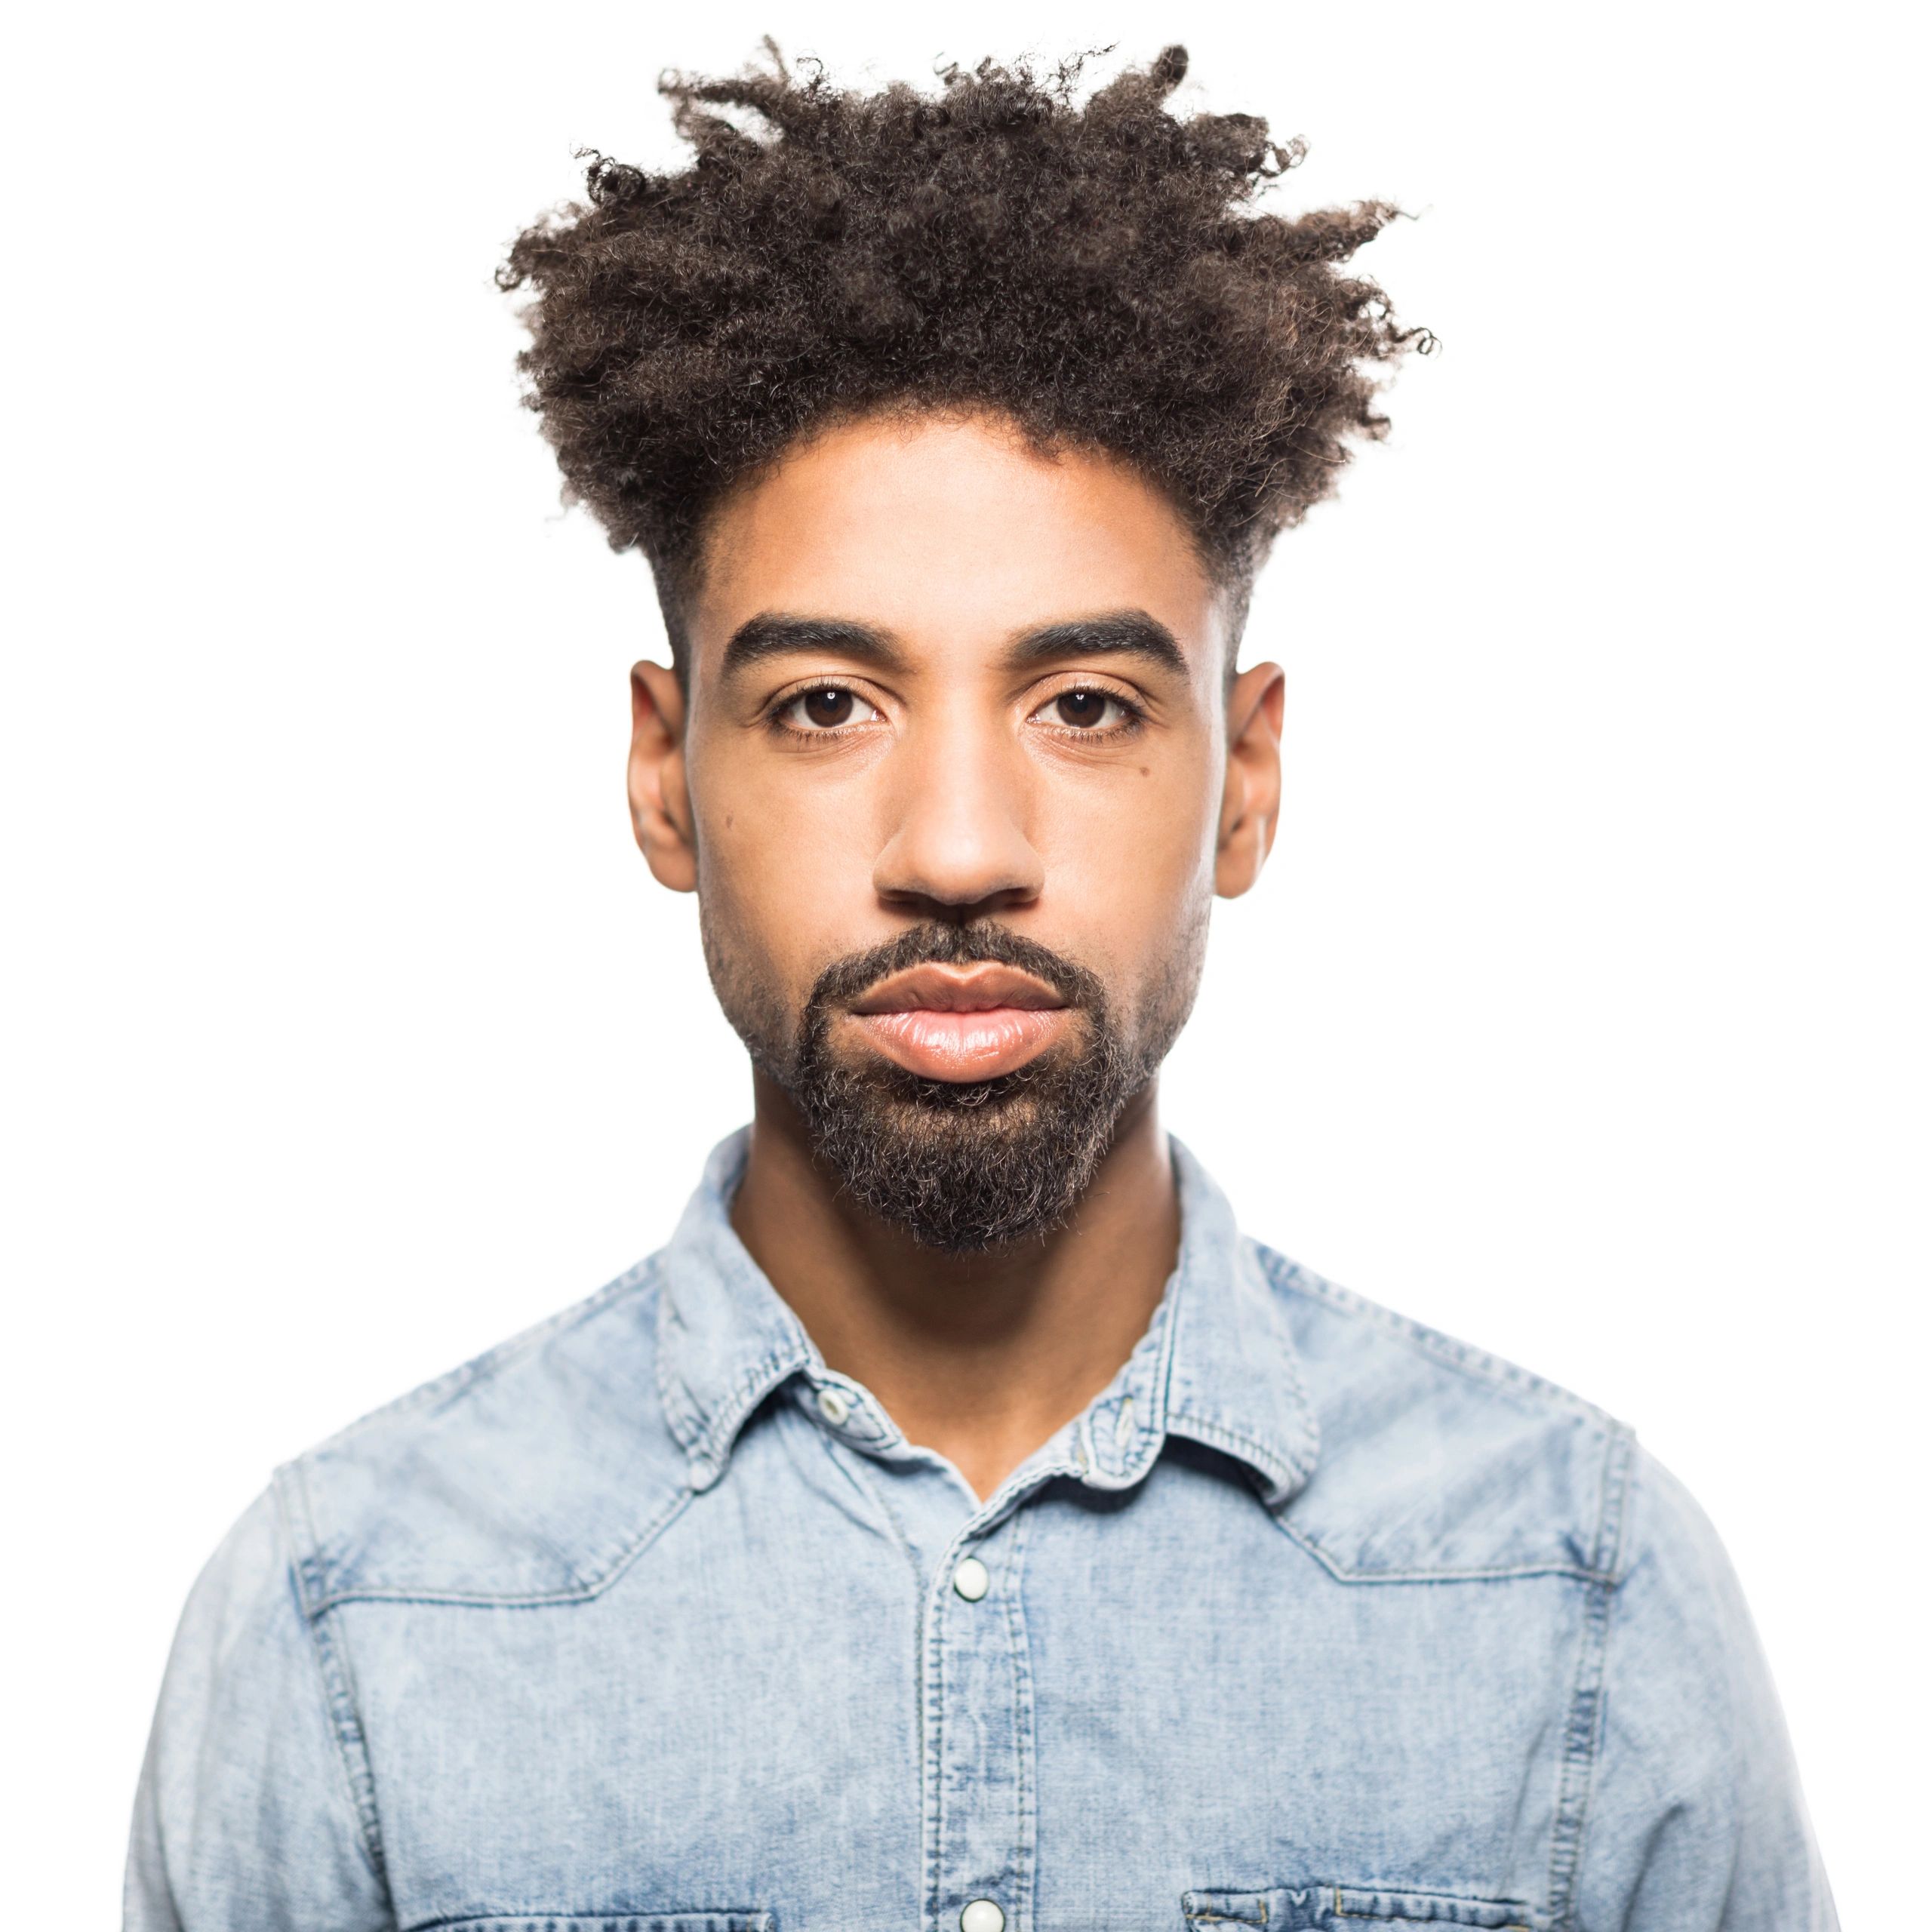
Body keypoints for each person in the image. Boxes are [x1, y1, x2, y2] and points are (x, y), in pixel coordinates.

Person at [124, 42, 1837, 1932]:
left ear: (1243, 780)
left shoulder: (1570, 1596)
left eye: (1084, 704)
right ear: (663, 769)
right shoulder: (353, 1620)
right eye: (826, 705)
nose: (953, 845)